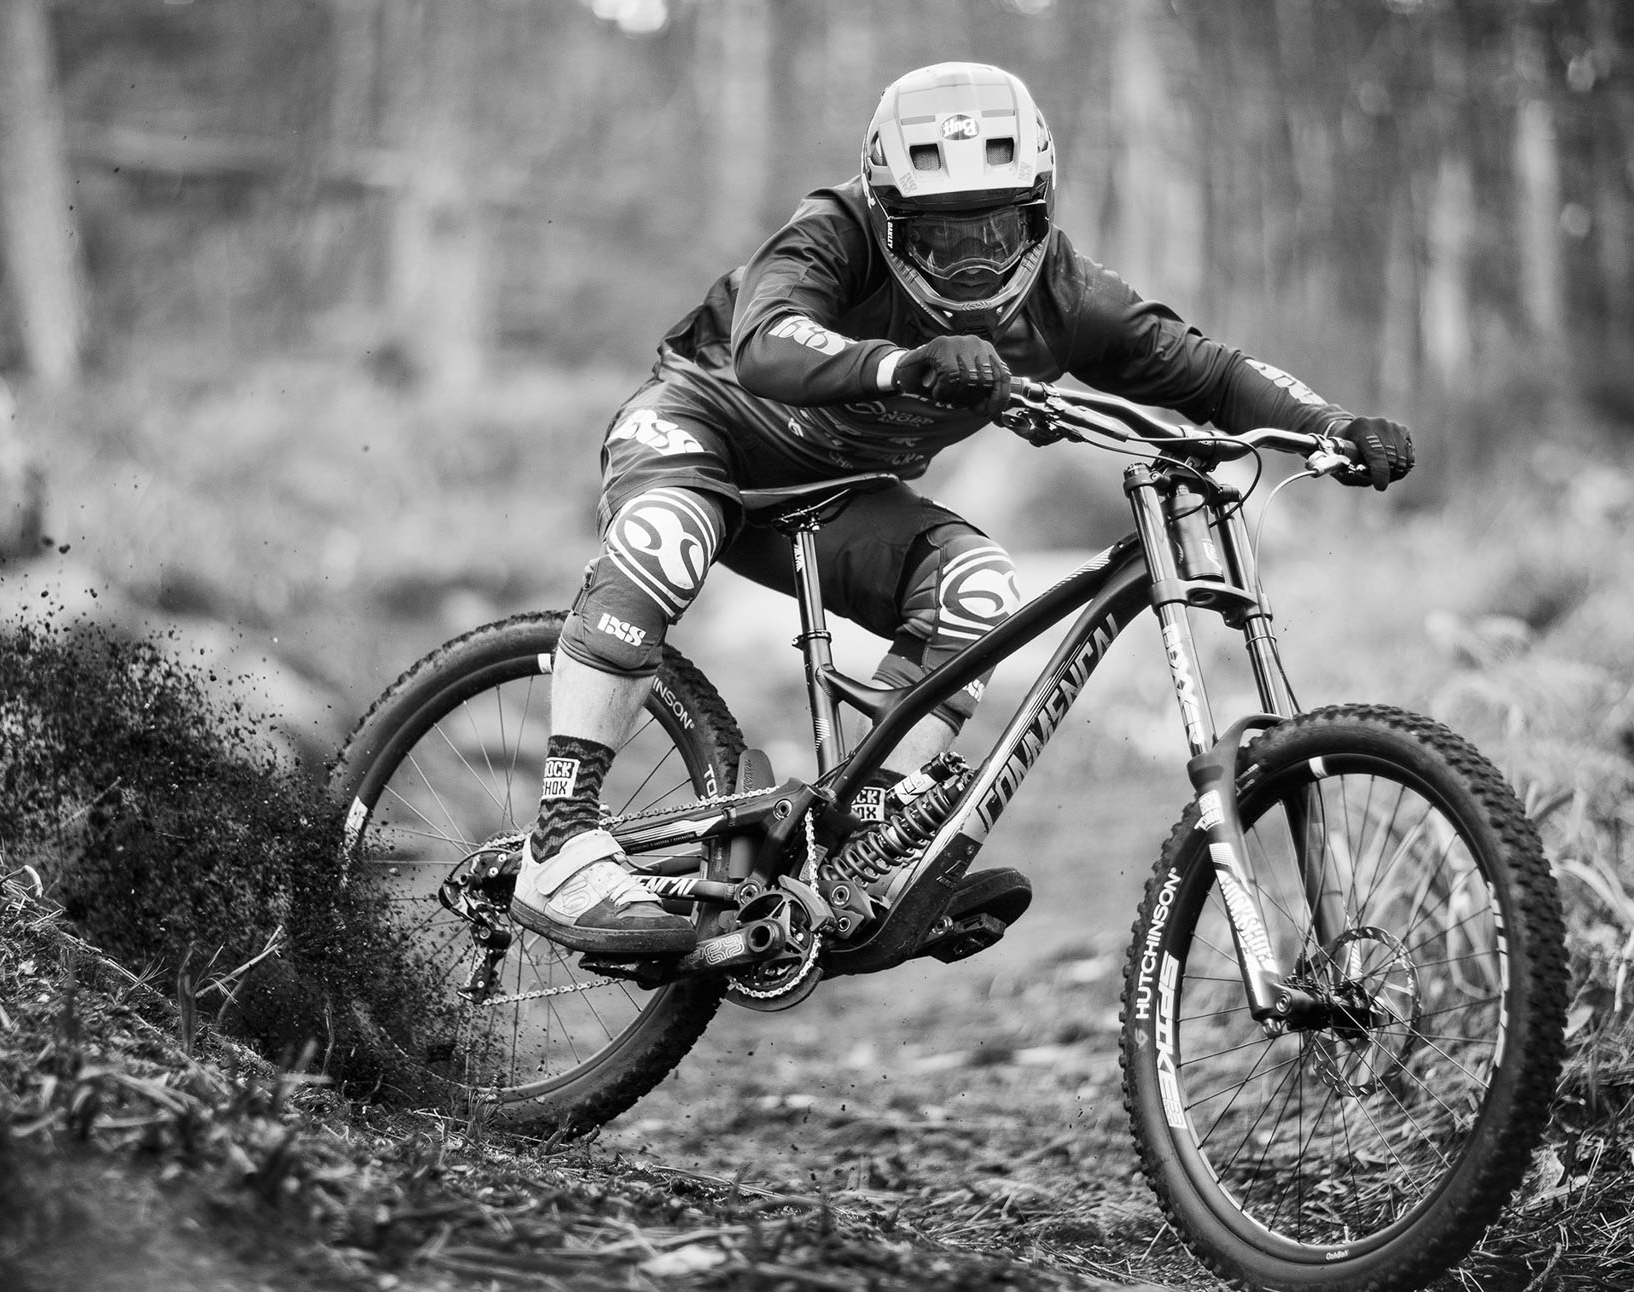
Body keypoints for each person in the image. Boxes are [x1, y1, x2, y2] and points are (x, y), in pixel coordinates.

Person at [510, 60, 1415, 956]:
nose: (975, 261)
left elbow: (1210, 373)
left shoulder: (1066, 297)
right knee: (666, 535)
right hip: (702, 427)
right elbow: (765, 342)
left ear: (1041, 214)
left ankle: (859, 845)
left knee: (979, 587)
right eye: (942, 239)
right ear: (888, 220)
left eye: (999, 229)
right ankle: (560, 840)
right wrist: (904, 363)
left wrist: (1329, 425)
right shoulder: (834, 229)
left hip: (839, 493)